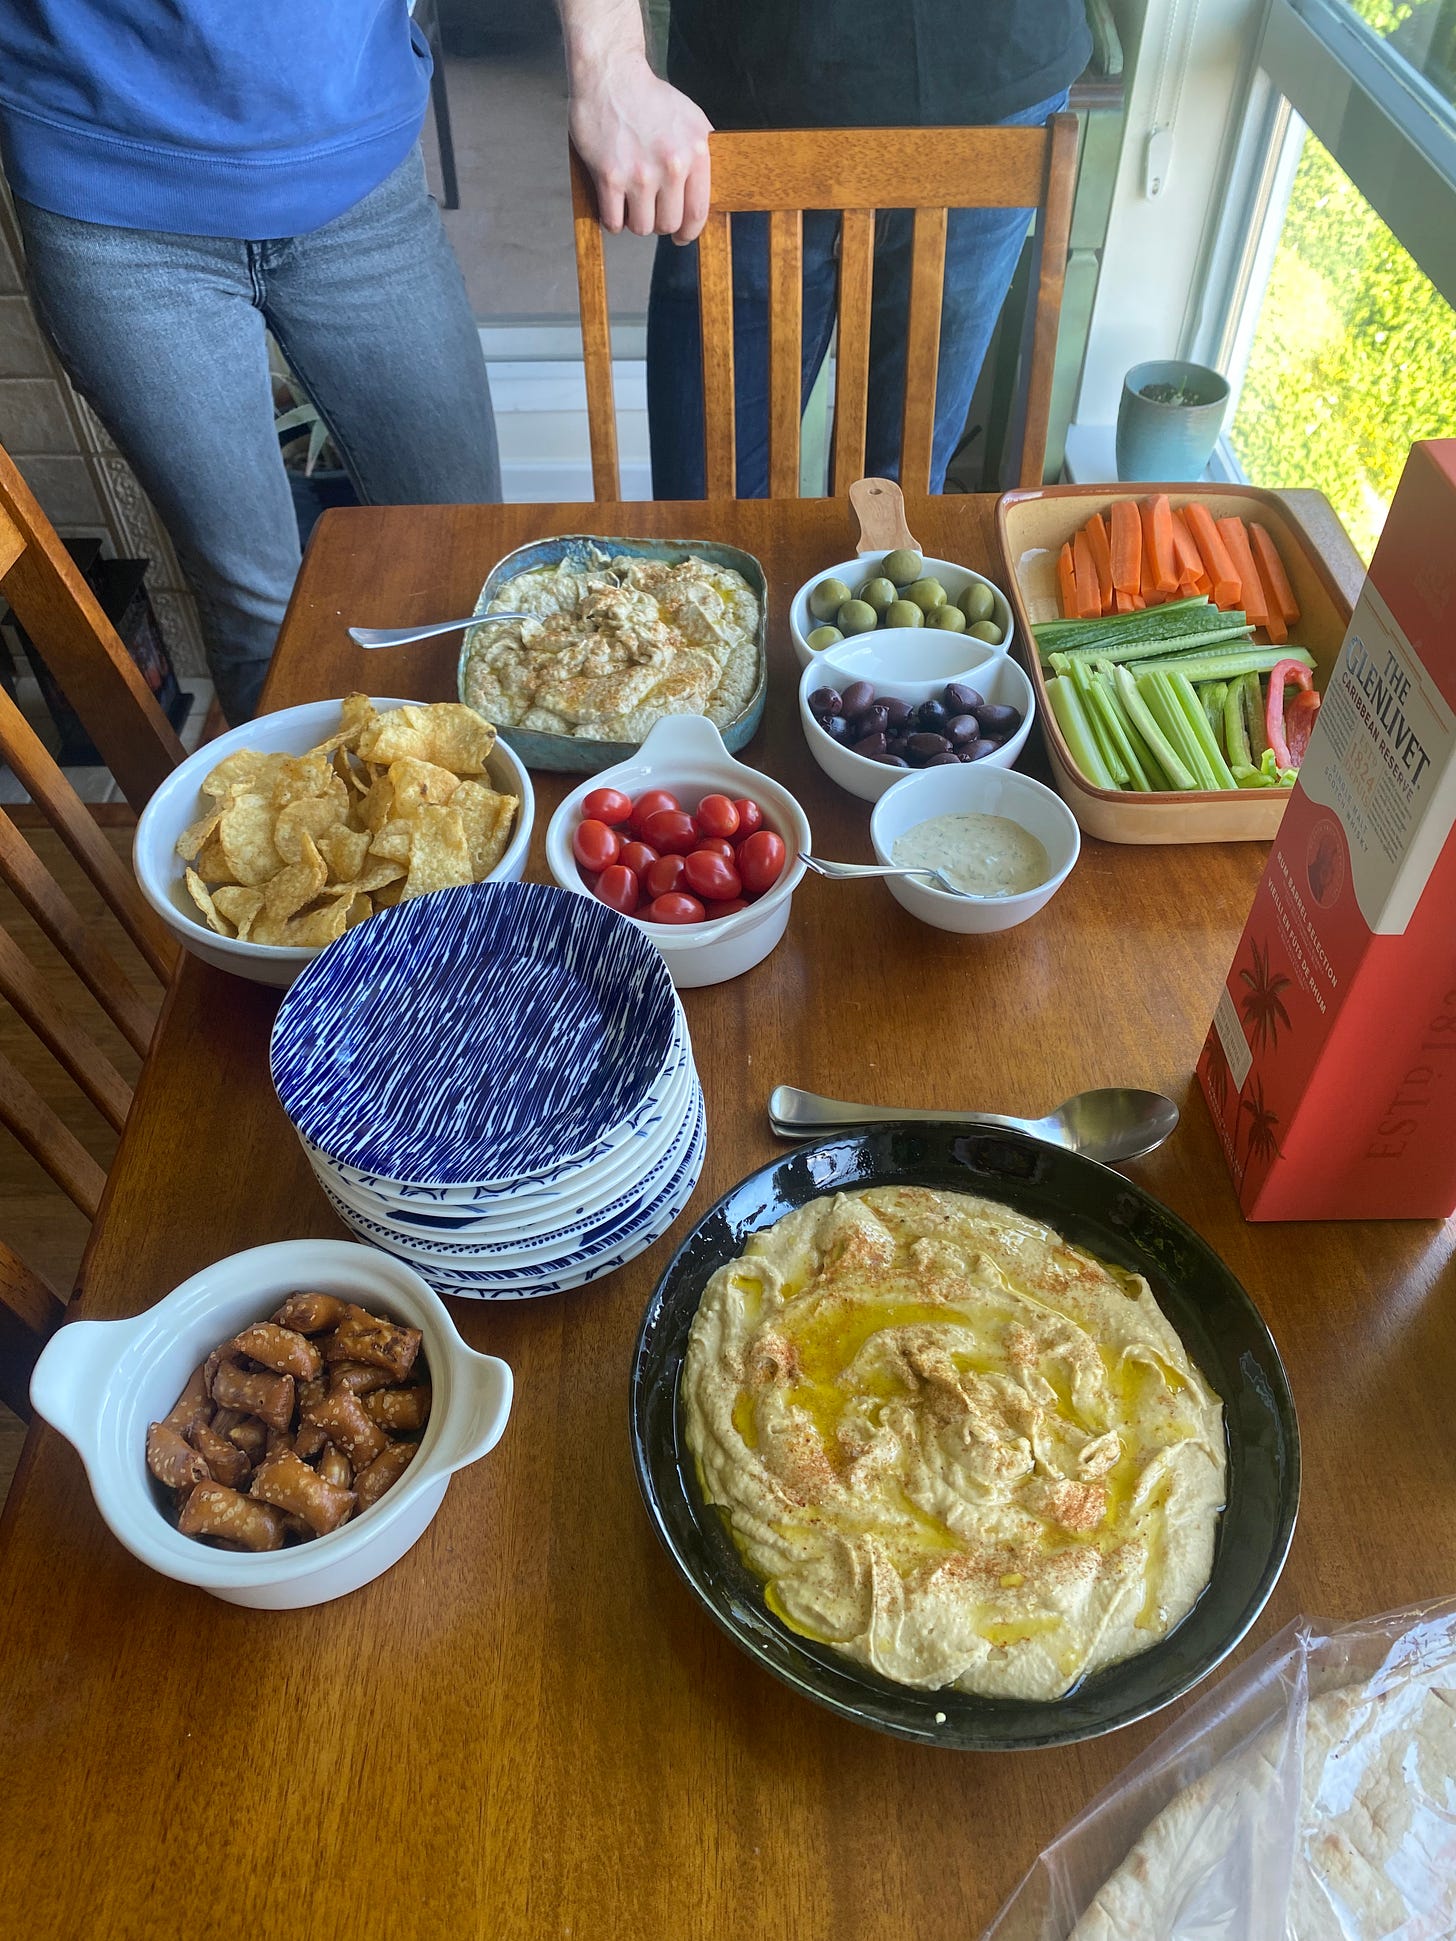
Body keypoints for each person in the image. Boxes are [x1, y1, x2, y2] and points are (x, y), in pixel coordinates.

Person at [0, 3, 500, 723]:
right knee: (258, 608)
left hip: (363, 167)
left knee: (469, 561)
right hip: (107, 196)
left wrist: (610, 63)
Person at [563, 0, 1091, 497]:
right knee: (702, 512)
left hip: (997, 78)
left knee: (900, 510)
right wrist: (608, 62)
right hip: (742, 99)